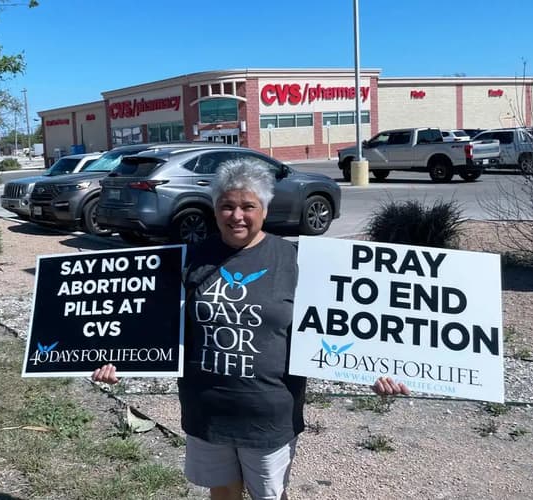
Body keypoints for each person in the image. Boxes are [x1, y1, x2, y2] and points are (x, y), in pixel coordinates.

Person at [93, 158, 409, 500]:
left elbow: (342, 324)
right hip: (207, 410)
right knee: (223, 493)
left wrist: (378, 369)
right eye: (227, 206)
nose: (237, 215)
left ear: (265, 207)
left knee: (269, 495)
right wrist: (119, 358)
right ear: (215, 209)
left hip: (268, 414)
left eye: (248, 206)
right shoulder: (189, 259)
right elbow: (153, 322)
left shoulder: (295, 260)